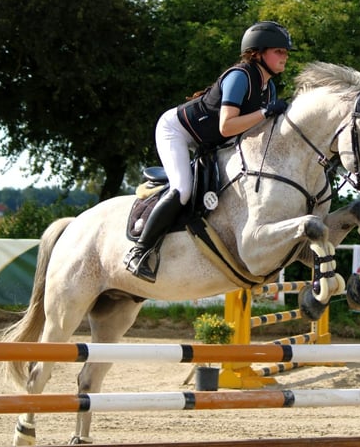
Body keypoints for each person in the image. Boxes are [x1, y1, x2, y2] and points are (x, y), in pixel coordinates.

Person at [124, 21, 295, 282]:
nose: (285, 57)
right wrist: (264, 113)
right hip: (177, 131)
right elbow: (227, 126)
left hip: (210, 142)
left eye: (285, 52)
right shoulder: (241, 77)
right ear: (257, 53)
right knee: (182, 190)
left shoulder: (268, 88)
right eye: (279, 51)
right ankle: (139, 251)